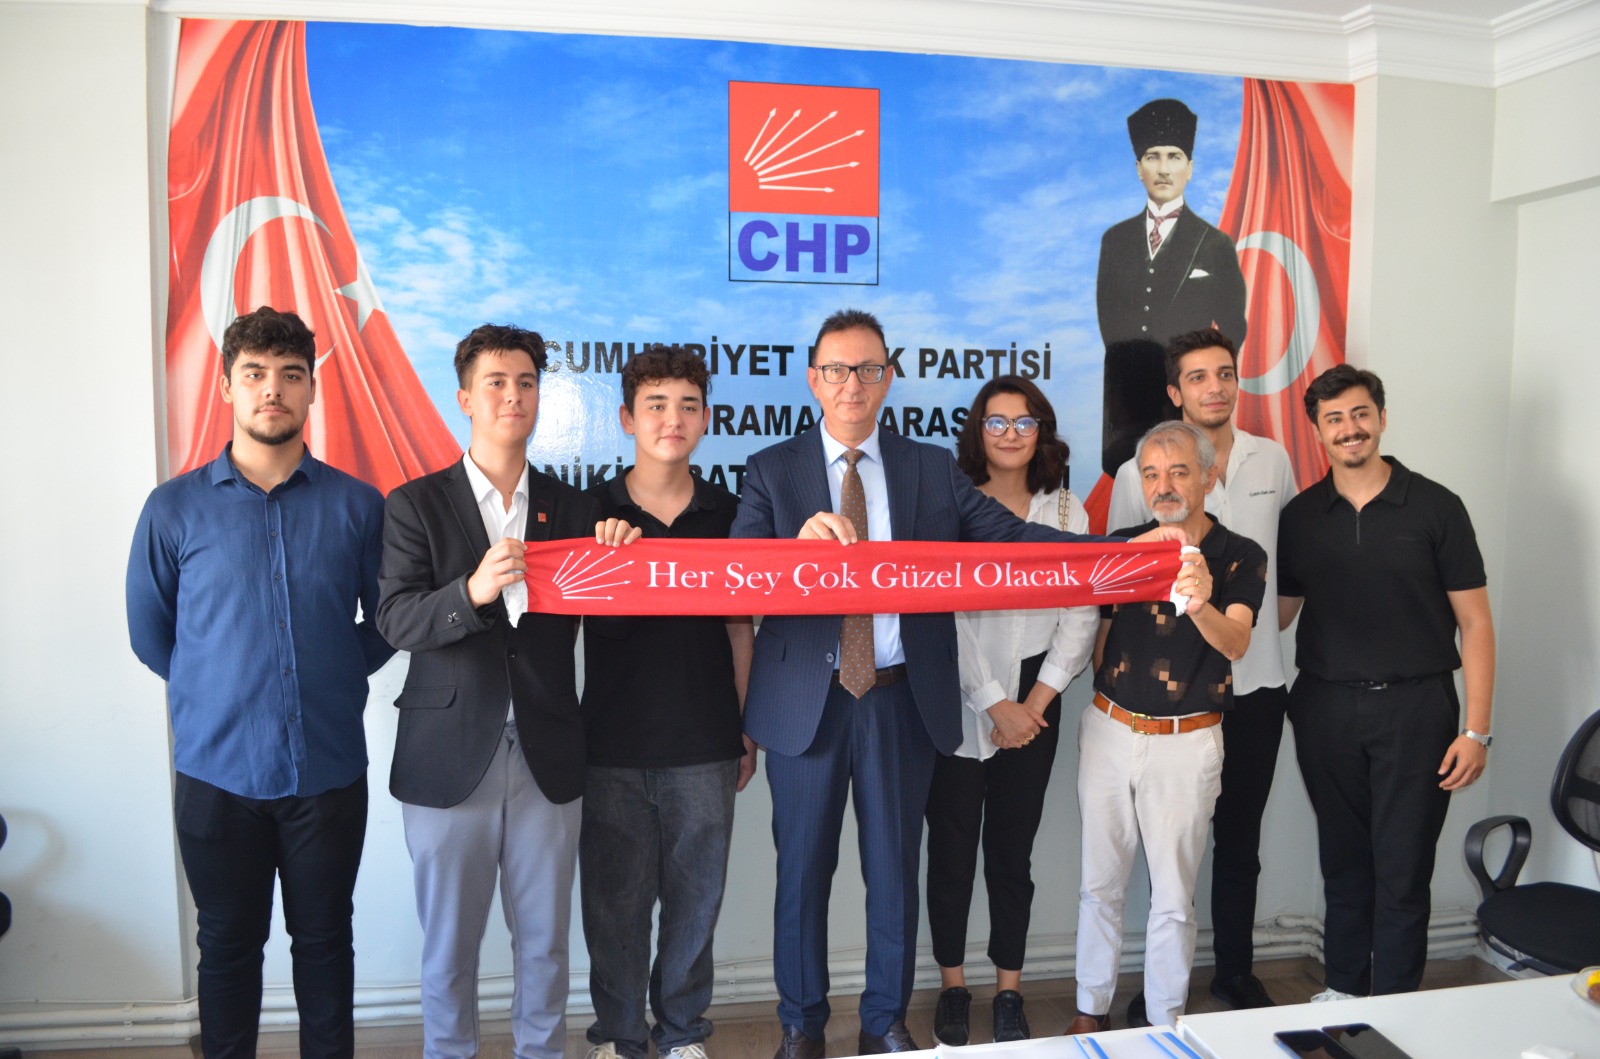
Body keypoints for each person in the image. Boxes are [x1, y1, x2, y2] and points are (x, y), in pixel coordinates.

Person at [730, 309, 1183, 1059]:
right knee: (802, 873)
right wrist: (792, 548)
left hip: (900, 699)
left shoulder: (929, 467)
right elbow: (738, 573)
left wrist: (1130, 554)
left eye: (868, 369)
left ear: (889, 377)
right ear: (813, 379)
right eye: (837, 370)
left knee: (894, 874)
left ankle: (884, 1021)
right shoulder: (771, 468)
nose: (852, 384)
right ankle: (801, 1025)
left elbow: (1017, 540)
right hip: (806, 703)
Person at [126, 305, 395, 1057]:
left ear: (311, 389)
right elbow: (151, 633)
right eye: (254, 374)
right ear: (227, 387)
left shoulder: (357, 505)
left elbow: (386, 620)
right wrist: (222, 684)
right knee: (228, 946)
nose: (271, 389)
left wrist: (328, 668)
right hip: (217, 776)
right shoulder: (173, 509)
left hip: (327, 770)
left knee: (325, 942)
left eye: (290, 374)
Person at [376, 324, 637, 1059]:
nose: (512, 396)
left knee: (546, 945)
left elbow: (611, 614)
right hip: (447, 756)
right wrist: (471, 590)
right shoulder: (414, 504)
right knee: (449, 947)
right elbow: (396, 619)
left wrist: (618, 559)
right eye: (495, 382)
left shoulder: (575, 508)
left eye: (525, 382)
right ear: (465, 397)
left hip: (548, 755)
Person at [1277, 364, 1494, 1001]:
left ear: (1381, 418)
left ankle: (1396, 1007)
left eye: (1360, 414)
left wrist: (1476, 730)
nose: (1350, 429)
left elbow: (1476, 624)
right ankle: (1343, 992)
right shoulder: (1300, 516)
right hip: (1324, 708)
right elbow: (1278, 614)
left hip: (1417, 711)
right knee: (1343, 864)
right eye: (1334, 419)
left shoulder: (1436, 506)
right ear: (1318, 431)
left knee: (1403, 872)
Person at [1107, 328, 1298, 1013]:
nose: (1214, 387)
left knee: (1239, 838)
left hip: (1257, 680)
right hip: (1175, 694)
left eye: (1224, 373)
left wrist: (1259, 626)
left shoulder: (1272, 458)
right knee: (1161, 850)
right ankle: (1158, 987)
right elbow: (1117, 584)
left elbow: (1288, 563)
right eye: (1196, 377)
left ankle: (1234, 971)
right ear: (1174, 391)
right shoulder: (1137, 474)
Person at [580, 345, 757, 1059]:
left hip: (706, 741)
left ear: (706, 418)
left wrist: (745, 728)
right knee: (613, 906)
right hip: (610, 746)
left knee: (696, 903)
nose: (672, 419)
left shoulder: (732, 513)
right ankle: (619, 1037)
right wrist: (605, 555)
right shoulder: (591, 512)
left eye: (688, 405)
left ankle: (683, 1033)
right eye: (655, 404)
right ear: (627, 418)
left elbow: (740, 628)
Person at [1068, 420, 1265, 1036]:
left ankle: (1165, 1023)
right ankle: (1089, 1010)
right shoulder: (1121, 548)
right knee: (1099, 884)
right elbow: (1099, 635)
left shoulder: (1240, 554)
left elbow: (1236, 643)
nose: (1164, 486)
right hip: (1109, 731)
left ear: (1208, 476)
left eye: (1178, 471)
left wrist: (1200, 602)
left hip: (1188, 741)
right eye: (1151, 474)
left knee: (1174, 898)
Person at [926, 377, 1099, 1046]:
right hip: (958, 690)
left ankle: (1008, 990)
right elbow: (945, 611)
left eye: (1024, 422)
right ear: (978, 431)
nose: (1009, 434)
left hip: (1037, 695)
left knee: (1010, 853)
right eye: (995, 422)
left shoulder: (1067, 510)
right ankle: (953, 987)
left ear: (1041, 431)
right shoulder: (951, 503)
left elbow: (1081, 612)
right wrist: (992, 700)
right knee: (950, 852)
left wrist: (1034, 700)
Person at [1096, 98, 1248, 479]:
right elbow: (1109, 325)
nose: (1163, 169)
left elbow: (1233, 326)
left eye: (1174, 157)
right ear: (1139, 168)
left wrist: (1194, 383)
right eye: (1153, 157)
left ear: (1190, 168)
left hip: (1188, 410)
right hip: (1126, 413)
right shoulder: (1115, 241)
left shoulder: (1215, 244)